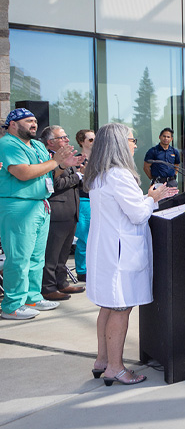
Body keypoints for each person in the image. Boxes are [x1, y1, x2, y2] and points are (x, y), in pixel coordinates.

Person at [84, 123, 176, 385]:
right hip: (121, 252)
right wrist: (153, 197)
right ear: (119, 144)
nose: (135, 144)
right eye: (132, 139)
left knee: (108, 306)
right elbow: (137, 214)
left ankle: (102, 360)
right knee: (121, 308)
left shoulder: (99, 174)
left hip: (107, 249)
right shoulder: (120, 175)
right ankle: (116, 367)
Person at [0, 109, 82, 320]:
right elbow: (24, 173)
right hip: (19, 206)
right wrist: (56, 162)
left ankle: (32, 297)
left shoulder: (36, 145)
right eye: (28, 121)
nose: (34, 124)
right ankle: (12, 305)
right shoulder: (8, 143)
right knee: (19, 258)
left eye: (35, 120)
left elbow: (50, 172)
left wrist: (63, 165)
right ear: (13, 125)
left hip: (40, 204)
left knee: (37, 257)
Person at [40, 125, 86, 299]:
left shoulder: (67, 158)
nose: (67, 140)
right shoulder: (48, 158)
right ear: (51, 142)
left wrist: (81, 174)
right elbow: (54, 184)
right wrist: (78, 176)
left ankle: (62, 283)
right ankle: (48, 287)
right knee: (51, 254)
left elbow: (73, 182)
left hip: (71, 211)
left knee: (63, 253)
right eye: (63, 137)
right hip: (57, 212)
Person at [74, 129, 95, 282]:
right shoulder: (75, 159)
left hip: (97, 200)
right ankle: (82, 270)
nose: (94, 143)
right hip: (83, 200)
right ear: (82, 141)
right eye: (90, 140)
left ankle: (94, 268)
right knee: (84, 237)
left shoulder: (99, 158)